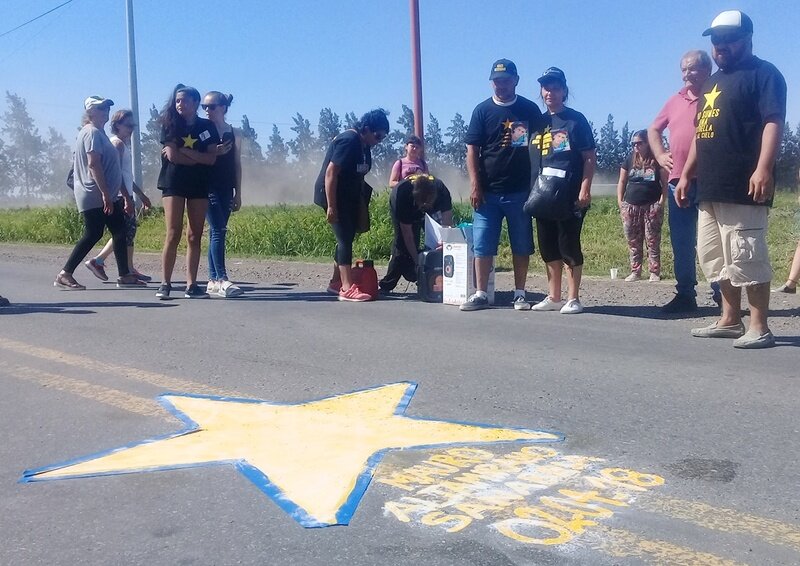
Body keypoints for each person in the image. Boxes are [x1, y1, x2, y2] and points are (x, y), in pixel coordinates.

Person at [675, 10, 787, 349]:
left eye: (729, 38)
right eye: (716, 40)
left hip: (744, 184)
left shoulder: (764, 74)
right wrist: (685, 175)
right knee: (716, 257)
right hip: (709, 185)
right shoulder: (712, 82)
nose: (721, 45)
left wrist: (763, 167)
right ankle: (729, 319)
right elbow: (700, 133)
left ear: (748, 39)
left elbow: (773, 121)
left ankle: (759, 326)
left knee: (746, 255)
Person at [461, 59, 546, 311]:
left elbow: (545, 142)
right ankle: (480, 294)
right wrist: (475, 185)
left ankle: (520, 293)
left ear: (516, 81)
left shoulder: (529, 109)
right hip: (487, 194)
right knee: (483, 243)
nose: (501, 85)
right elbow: (471, 151)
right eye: (497, 81)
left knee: (521, 243)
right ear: (491, 83)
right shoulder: (481, 111)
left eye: (506, 80)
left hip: (520, 191)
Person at [649, 50, 719, 313]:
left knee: (713, 241)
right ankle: (685, 294)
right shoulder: (674, 100)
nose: (686, 74)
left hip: (711, 180)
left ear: (707, 70)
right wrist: (659, 154)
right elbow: (653, 129)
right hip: (677, 181)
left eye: (692, 69)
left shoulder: (715, 94)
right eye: (683, 69)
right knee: (682, 240)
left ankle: (722, 294)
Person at [54, 96, 143, 290]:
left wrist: (125, 196)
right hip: (94, 194)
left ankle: (125, 275)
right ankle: (65, 273)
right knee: (94, 232)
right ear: (90, 112)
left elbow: (113, 169)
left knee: (120, 230)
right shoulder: (91, 132)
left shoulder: (99, 133)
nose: (105, 111)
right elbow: (94, 164)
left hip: (107, 194)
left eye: (107, 108)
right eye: (101, 108)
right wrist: (104, 193)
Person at [529, 67, 596, 314]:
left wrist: (585, 189)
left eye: (555, 87)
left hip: (569, 194)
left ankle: (573, 298)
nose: (550, 92)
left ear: (564, 90)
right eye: (546, 87)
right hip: (541, 194)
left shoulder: (575, 120)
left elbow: (589, 157)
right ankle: (553, 296)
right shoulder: (537, 122)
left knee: (568, 244)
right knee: (547, 247)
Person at [155, 84, 228, 300]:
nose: (180, 104)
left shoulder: (207, 126)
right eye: (177, 100)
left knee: (194, 235)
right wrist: (196, 157)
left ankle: (191, 285)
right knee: (173, 233)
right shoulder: (169, 125)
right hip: (173, 183)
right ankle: (165, 283)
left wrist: (186, 152)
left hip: (199, 184)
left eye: (185, 100)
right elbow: (172, 156)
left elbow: (211, 158)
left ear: (195, 103)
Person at [314, 109, 390, 302]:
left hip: (349, 197)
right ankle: (346, 288)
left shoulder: (364, 146)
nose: (379, 141)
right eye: (377, 135)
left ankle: (334, 282)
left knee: (347, 235)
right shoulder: (349, 141)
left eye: (382, 137)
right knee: (345, 238)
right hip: (333, 195)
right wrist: (331, 206)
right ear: (366, 129)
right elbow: (331, 173)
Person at [85, 109, 152, 283]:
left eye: (133, 126)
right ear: (117, 126)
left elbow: (127, 176)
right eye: (128, 125)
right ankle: (103, 262)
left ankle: (125, 268)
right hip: (121, 196)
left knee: (126, 233)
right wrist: (126, 198)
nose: (131, 129)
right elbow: (117, 175)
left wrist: (141, 195)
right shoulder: (117, 144)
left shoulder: (123, 144)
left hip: (127, 194)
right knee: (124, 233)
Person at [378, 173, 454, 294]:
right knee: (401, 245)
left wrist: (445, 242)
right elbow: (407, 236)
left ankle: (434, 276)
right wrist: (418, 262)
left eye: (428, 204)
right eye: (422, 206)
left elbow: (448, 222)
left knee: (438, 242)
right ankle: (389, 283)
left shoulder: (441, 191)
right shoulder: (402, 195)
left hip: (429, 202)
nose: (425, 207)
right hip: (403, 203)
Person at [202, 91, 243, 298]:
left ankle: (212, 281)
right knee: (218, 229)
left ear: (223, 108)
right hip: (207, 186)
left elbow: (237, 164)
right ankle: (222, 278)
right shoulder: (202, 129)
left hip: (227, 187)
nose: (207, 110)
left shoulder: (234, 132)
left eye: (211, 106)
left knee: (215, 232)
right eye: (205, 107)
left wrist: (238, 193)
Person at [616, 130, 668, 283]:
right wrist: (620, 201)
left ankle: (654, 271)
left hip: (651, 206)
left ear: (647, 143)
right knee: (633, 241)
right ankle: (635, 271)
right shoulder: (629, 160)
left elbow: (665, 183)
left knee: (652, 240)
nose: (636, 146)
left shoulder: (656, 160)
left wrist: (661, 202)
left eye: (639, 143)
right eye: (633, 144)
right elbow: (622, 181)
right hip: (631, 206)